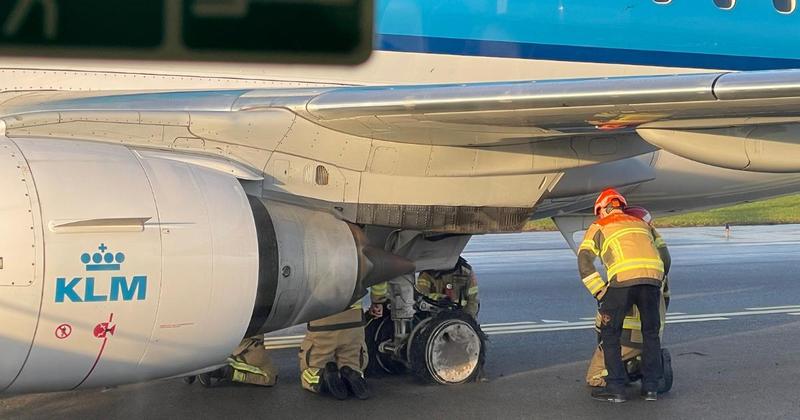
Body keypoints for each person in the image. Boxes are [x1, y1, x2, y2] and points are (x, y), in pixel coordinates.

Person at [578, 188, 671, 403]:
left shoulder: (600, 225)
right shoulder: (642, 224)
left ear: (602, 209)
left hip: (623, 280)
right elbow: (665, 257)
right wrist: (658, 280)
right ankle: (650, 389)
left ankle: (616, 388)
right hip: (652, 279)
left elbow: (584, 262)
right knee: (651, 333)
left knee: (610, 334)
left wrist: (600, 291)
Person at [299, 303, 369, 400]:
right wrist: (378, 300)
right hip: (354, 317)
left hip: (322, 316)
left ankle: (322, 378)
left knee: (312, 368)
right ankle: (351, 374)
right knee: (352, 359)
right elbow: (376, 287)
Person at [195, 336, 278, 387]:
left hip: (247, 342)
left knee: (269, 377)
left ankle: (195, 362)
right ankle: (220, 371)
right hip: (247, 347)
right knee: (270, 379)